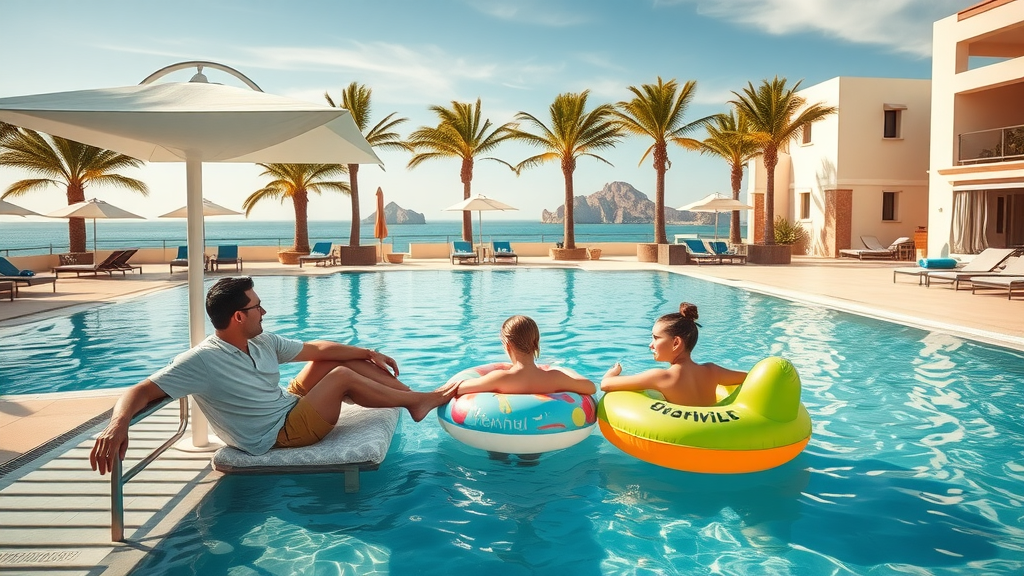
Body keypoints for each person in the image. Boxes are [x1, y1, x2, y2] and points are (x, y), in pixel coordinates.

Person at [90, 276, 456, 475]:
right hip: (278, 433)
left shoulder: (261, 340)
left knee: (334, 362)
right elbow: (141, 389)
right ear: (237, 317)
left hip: (287, 403)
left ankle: (413, 396)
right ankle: (417, 402)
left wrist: (368, 352)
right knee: (341, 376)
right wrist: (117, 425)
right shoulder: (201, 361)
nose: (263, 311)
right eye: (256, 306)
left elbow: (317, 350)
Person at [600, 302, 747, 406]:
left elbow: (606, 385)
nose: (650, 344)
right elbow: (749, 377)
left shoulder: (661, 377)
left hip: (680, 442)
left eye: (656, 338)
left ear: (676, 343)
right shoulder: (713, 371)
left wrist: (612, 372)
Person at [448, 315, 596, 396]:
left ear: (508, 345)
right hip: (540, 432)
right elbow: (590, 388)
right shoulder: (555, 378)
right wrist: (567, 371)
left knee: (497, 453)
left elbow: (457, 388)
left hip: (499, 430)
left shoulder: (500, 378)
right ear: (536, 343)